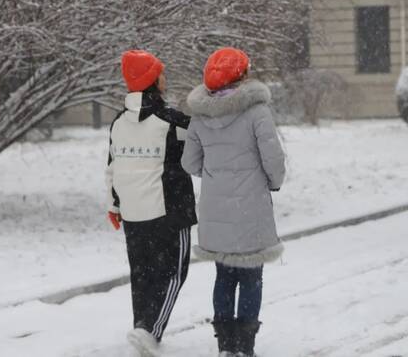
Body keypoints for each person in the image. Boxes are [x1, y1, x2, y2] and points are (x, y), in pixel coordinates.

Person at [181, 47, 285, 357]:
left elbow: (189, 163)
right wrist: (273, 182)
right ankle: (246, 346)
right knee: (251, 275)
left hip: (216, 209)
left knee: (224, 276)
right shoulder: (256, 112)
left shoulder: (200, 117)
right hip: (250, 207)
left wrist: (216, 176)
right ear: (242, 75)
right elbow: (273, 159)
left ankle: (225, 345)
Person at [105, 50, 197, 357]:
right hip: (168, 211)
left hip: (132, 212)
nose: (165, 78)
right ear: (153, 80)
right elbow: (206, 138)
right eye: (162, 73)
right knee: (173, 272)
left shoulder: (118, 123)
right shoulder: (172, 122)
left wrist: (114, 205)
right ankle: (150, 330)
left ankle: (142, 328)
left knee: (142, 274)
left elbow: (112, 166)